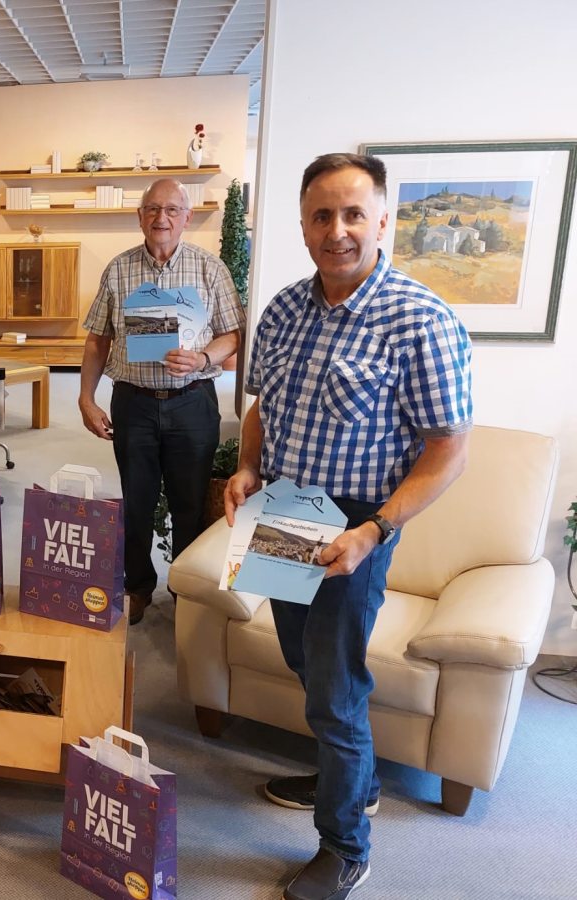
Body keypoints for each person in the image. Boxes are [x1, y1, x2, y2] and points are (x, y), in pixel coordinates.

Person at [225, 153, 472, 900]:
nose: (338, 231)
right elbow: (263, 405)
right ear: (303, 227)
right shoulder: (282, 311)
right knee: (305, 663)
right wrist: (245, 468)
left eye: (353, 213)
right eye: (322, 216)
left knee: (335, 691)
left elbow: (449, 450)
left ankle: (346, 845)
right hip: (283, 513)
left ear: (384, 220)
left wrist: (378, 530)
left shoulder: (419, 319)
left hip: (354, 527)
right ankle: (351, 778)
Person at [79, 178, 244, 625]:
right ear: (140, 217)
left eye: (172, 210)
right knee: (136, 499)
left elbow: (233, 334)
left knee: (189, 503)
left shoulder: (211, 269)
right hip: (133, 402)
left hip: (192, 402)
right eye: (152, 209)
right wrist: (85, 397)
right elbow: (98, 339)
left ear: (187, 218)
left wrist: (204, 356)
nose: (161, 218)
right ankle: (137, 587)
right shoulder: (118, 270)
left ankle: (185, 589)